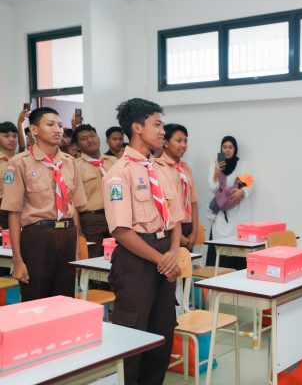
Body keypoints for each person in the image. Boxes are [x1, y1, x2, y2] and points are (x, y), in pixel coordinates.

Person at [103, 98, 184, 385]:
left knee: (162, 332)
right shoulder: (119, 173)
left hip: (165, 253)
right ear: (137, 128)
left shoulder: (161, 169)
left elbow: (175, 220)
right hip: (136, 258)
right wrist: (162, 259)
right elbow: (121, 231)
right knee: (133, 333)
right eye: (157, 125)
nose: (163, 131)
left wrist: (172, 253)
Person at [1, 107, 87, 301]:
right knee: (35, 299)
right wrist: (17, 259)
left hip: (67, 233)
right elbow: (14, 213)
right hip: (37, 236)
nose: (57, 129)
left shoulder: (70, 162)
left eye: (60, 125)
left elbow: (73, 206)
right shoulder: (20, 163)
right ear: (34, 130)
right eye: (50, 124)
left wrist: (76, 246)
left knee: (64, 299)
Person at [206, 135, 252, 270]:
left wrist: (242, 191)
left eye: (230, 147)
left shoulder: (242, 165)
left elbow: (249, 184)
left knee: (238, 247)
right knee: (219, 246)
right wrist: (216, 173)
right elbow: (213, 188)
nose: (227, 150)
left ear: (235, 149)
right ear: (221, 149)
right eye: (224, 147)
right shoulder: (215, 165)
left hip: (238, 213)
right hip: (221, 215)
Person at [73, 124, 117, 259]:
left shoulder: (114, 162)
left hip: (116, 217)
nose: (90, 140)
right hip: (92, 221)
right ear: (78, 145)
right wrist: (78, 232)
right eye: (84, 139)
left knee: (117, 258)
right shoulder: (75, 166)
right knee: (94, 259)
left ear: (98, 138)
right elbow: (73, 203)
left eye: (92, 136)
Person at [160, 123, 199, 251]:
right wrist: (176, 234)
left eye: (185, 141)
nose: (183, 145)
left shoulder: (186, 169)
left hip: (188, 227)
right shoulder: (159, 168)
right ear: (166, 143)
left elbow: (193, 202)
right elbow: (162, 205)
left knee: (187, 263)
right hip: (169, 228)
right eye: (178, 140)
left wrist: (194, 232)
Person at [0, 122, 19, 229]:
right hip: (2, 208)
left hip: (22, 208)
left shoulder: (23, 160)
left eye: (14, 136)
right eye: (6, 136)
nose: (11, 139)